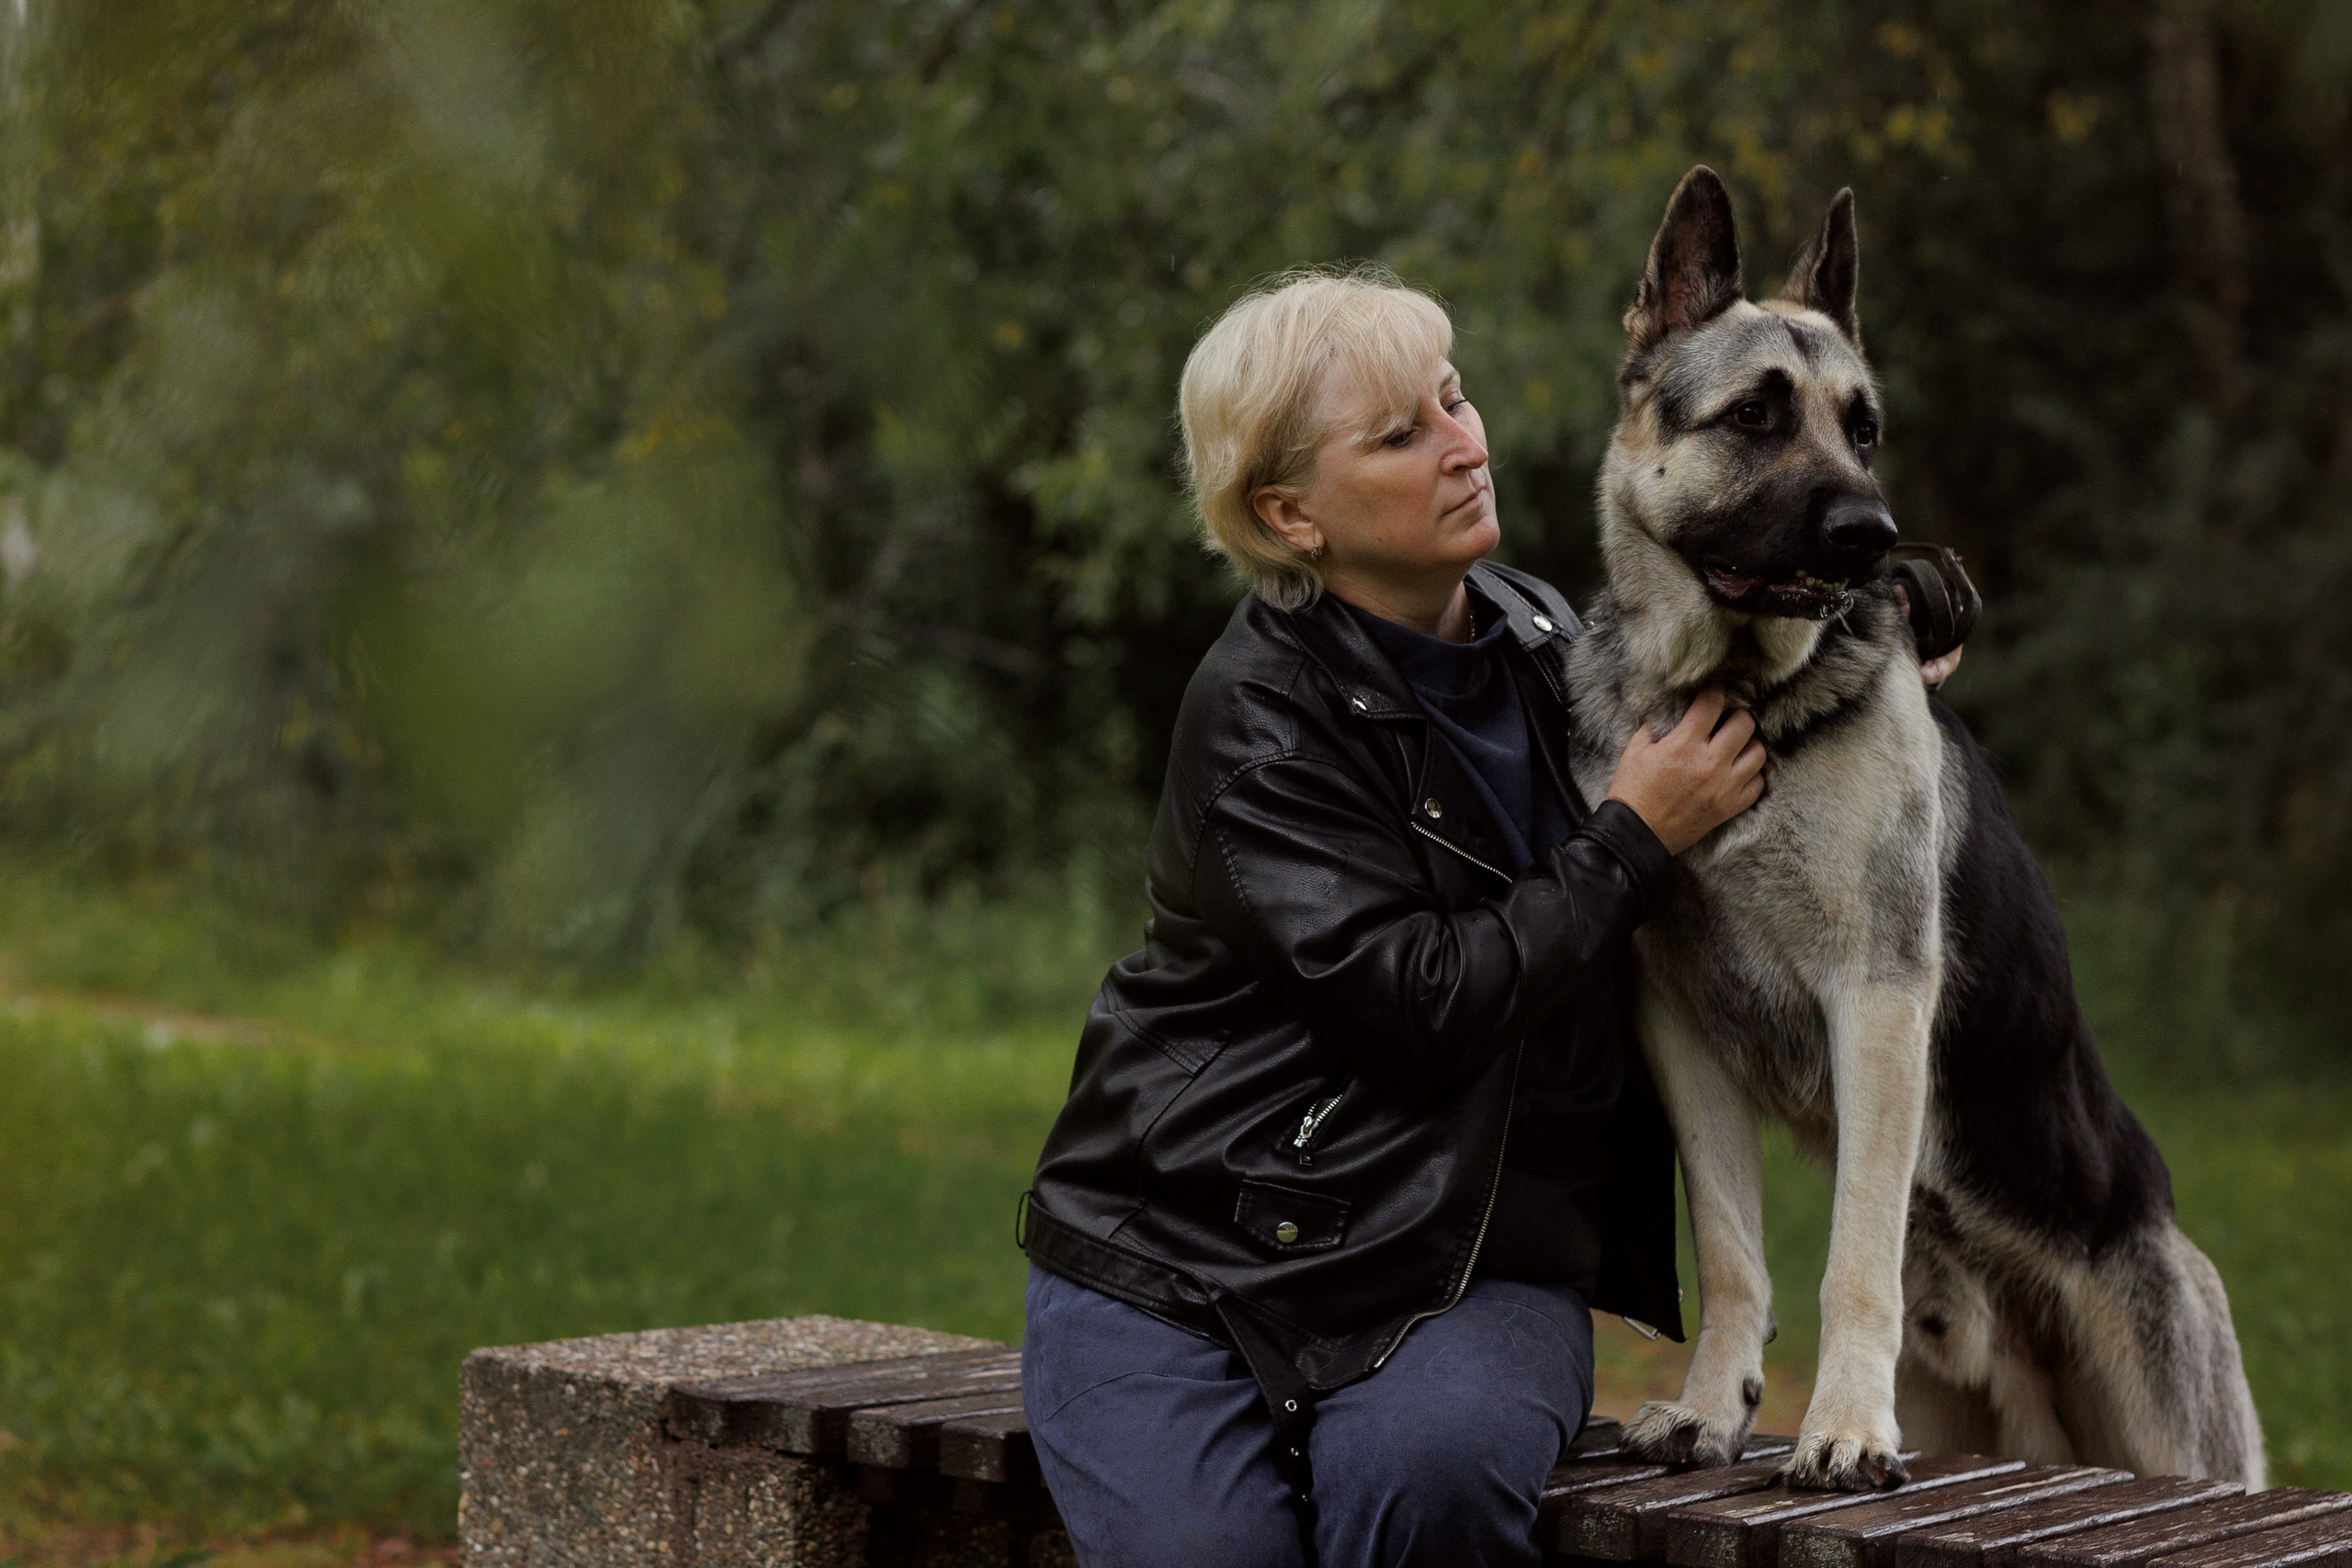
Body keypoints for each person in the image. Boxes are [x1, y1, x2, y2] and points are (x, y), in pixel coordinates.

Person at [1016, 266, 1960, 1567]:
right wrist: (1632, 839)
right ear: (1290, 514)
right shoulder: (1252, 726)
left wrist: (1867, 618)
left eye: (1453, 400)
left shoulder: (1545, 643)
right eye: (1402, 435)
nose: (1464, 444)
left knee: (1436, 1489)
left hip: (1469, 1257)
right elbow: (1419, 1005)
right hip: (1189, 1263)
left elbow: (1737, 706)